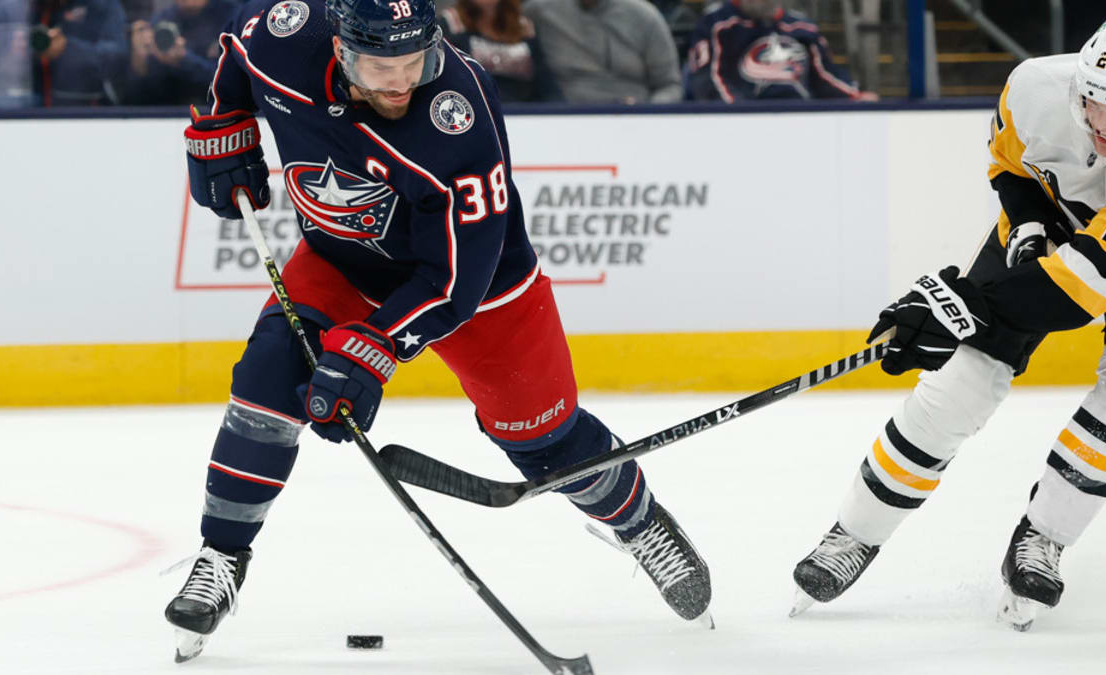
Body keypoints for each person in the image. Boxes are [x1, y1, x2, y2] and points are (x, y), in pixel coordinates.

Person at [162, 0, 711, 661]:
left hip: (480, 290)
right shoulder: (286, 34)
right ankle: (221, 556)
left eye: (413, 62)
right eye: (379, 65)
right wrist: (223, 129)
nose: (399, 83)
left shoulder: (458, 113)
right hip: (342, 259)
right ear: (338, 49)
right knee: (267, 381)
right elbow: (236, 58)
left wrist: (371, 351)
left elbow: (456, 279)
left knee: (543, 441)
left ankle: (639, 520)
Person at [790, 6, 1106, 632]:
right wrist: (1033, 228)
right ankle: (854, 533)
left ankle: (1043, 537)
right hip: (1057, 232)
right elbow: (1011, 167)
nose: (1101, 121)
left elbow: (1077, 292)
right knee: (958, 386)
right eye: (1092, 100)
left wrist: (955, 306)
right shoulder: (1037, 85)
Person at [685, 0, 874, 102]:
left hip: (802, 118)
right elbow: (707, 81)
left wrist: (854, 96)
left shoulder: (802, 28)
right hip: (744, 120)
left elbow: (825, 75)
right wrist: (739, 113)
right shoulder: (717, 24)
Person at [523, 0, 681, 104]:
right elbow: (503, 24)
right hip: (561, 119)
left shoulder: (646, 17)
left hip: (634, 121)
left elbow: (670, 85)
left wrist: (648, 111)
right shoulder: (539, 12)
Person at [0, 0, 127, 106]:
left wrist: (68, 48)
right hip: (22, 113)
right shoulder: (9, 10)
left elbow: (118, 59)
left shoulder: (102, 5)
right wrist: (15, 54)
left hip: (84, 112)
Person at [438, 0, 562, 102]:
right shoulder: (450, 24)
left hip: (524, 114)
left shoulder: (523, 26)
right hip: (474, 111)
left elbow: (545, 81)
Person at [123, 0, 237, 105]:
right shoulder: (161, 21)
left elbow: (233, 83)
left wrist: (184, 60)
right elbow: (135, 99)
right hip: (167, 112)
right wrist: (139, 63)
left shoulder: (233, 17)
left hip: (218, 111)